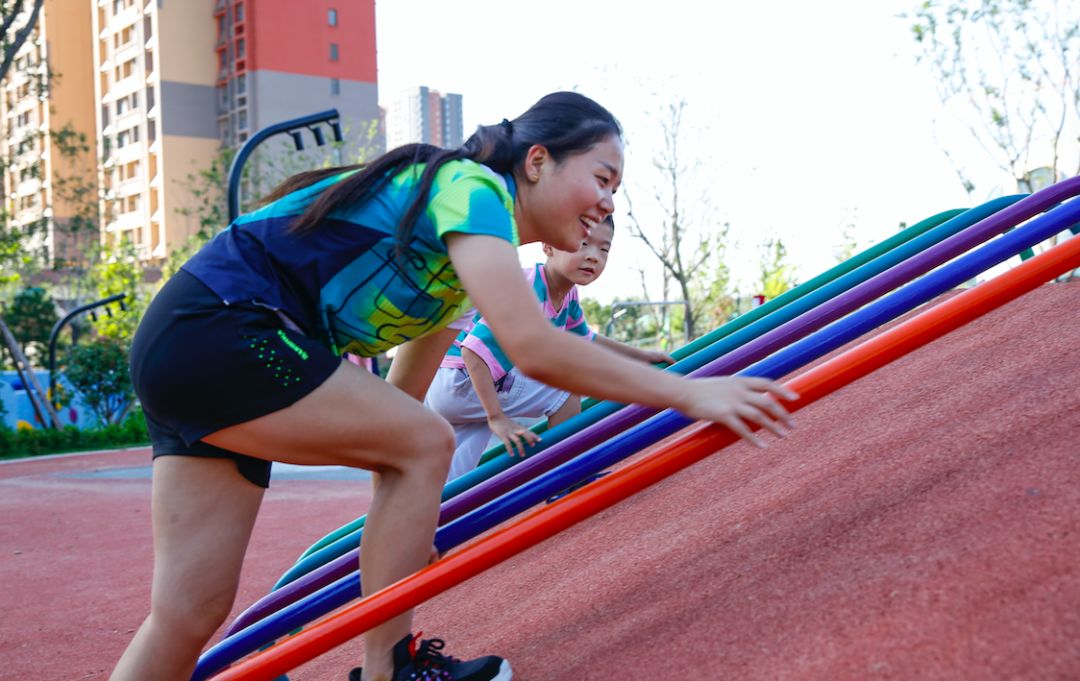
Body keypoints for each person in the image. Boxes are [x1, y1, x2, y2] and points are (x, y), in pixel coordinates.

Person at [116, 91, 797, 681]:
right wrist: (691, 393)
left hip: (190, 345)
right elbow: (532, 349)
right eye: (603, 176)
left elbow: (398, 408)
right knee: (424, 443)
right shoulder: (472, 189)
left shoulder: (455, 266)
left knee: (188, 609)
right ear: (538, 162)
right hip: (221, 326)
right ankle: (392, 665)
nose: (608, 203)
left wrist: (408, 523)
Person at [426, 215, 674, 480]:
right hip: (462, 379)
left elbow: (586, 339)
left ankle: (434, 514)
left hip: (458, 385)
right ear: (548, 246)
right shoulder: (527, 291)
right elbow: (473, 351)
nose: (594, 256)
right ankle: (567, 476)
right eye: (583, 244)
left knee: (454, 474)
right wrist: (496, 417)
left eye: (604, 249)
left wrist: (642, 356)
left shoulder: (565, 295)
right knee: (566, 386)